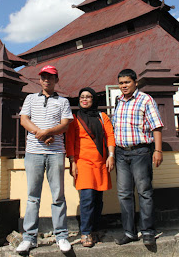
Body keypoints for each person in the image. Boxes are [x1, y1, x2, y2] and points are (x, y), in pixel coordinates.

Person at [16, 65, 73, 254]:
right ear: (40, 79)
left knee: (58, 195)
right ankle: (29, 238)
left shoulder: (63, 101)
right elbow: (24, 120)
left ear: (57, 80)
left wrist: (48, 132)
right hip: (33, 152)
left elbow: (65, 124)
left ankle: (61, 235)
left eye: (51, 77)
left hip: (56, 152)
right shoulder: (30, 98)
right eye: (44, 77)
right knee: (33, 196)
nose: (47, 80)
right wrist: (40, 133)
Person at [112, 69, 163, 246]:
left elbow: (156, 126)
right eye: (121, 83)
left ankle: (148, 231)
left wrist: (158, 150)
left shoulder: (145, 100)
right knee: (124, 194)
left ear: (135, 82)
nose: (123, 86)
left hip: (140, 152)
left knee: (144, 191)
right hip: (121, 153)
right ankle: (129, 232)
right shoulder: (119, 101)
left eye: (127, 82)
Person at [66, 87, 115, 247]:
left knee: (98, 200)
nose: (84, 99)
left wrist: (111, 155)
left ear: (93, 100)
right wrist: (72, 163)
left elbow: (110, 136)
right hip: (83, 163)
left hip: (100, 162)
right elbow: (70, 141)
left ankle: (94, 229)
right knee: (87, 198)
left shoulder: (102, 117)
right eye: (82, 97)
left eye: (88, 97)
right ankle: (85, 232)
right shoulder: (74, 118)